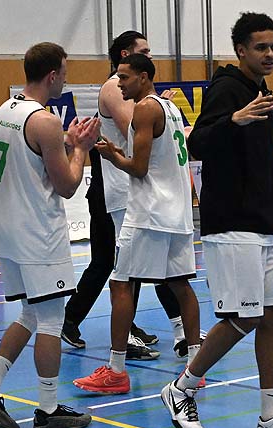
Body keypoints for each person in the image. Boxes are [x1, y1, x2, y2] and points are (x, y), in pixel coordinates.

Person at [159, 12, 273, 428]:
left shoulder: (261, 90)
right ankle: (182, 387)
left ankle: (270, 418)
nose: (270, 54)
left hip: (263, 223)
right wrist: (235, 119)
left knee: (272, 316)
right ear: (240, 50)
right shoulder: (227, 89)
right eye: (261, 47)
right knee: (245, 316)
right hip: (231, 224)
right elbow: (196, 143)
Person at [0, 42, 100, 428]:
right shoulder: (45, 121)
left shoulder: (7, 109)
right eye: (65, 73)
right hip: (37, 234)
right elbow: (68, 185)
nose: (66, 80)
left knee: (28, 313)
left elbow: (33, 154)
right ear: (52, 75)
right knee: (52, 321)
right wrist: (81, 149)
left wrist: (66, 142)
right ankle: (48, 408)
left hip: (5, 231)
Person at [73, 54, 201, 394]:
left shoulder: (145, 109)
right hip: (177, 212)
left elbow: (139, 168)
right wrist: (120, 150)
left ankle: (116, 370)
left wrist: (112, 155)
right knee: (181, 286)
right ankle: (196, 366)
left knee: (120, 284)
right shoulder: (170, 107)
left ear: (144, 77)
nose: (119, 84)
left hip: (148, 213)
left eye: (125, 77)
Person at [61, 30, 184, 360]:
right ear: (126, 56)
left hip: (132, 188)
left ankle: (168, 330)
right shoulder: (114, 88)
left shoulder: (144, 99)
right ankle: (128, 337)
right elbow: (137, 130)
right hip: (117, 189)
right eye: (145, 50)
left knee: (124, 263)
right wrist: (159, 108)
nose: (151, 56)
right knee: (124, 266)